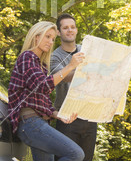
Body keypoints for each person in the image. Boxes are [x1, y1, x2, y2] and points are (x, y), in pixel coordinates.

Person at [8, 21, 85, 161]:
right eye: (47, 36)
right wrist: (70, 66)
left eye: (53, 39)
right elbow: (42, 86)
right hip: (30, 123)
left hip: (39, 122)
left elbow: (43, 100)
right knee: (76, 154)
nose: (50, 42)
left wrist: (59, 115)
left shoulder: (41, 65)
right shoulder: (27, 57)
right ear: (36, 37)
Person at [50, 13, 98, 161]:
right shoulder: (54, 56)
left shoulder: (87, 51)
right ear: (59, 32)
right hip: (66, 118)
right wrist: (81, 70)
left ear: (76, 30)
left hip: (89, 116)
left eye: (72, 27)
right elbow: (61, 77)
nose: (69, 30)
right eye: (65, 28)